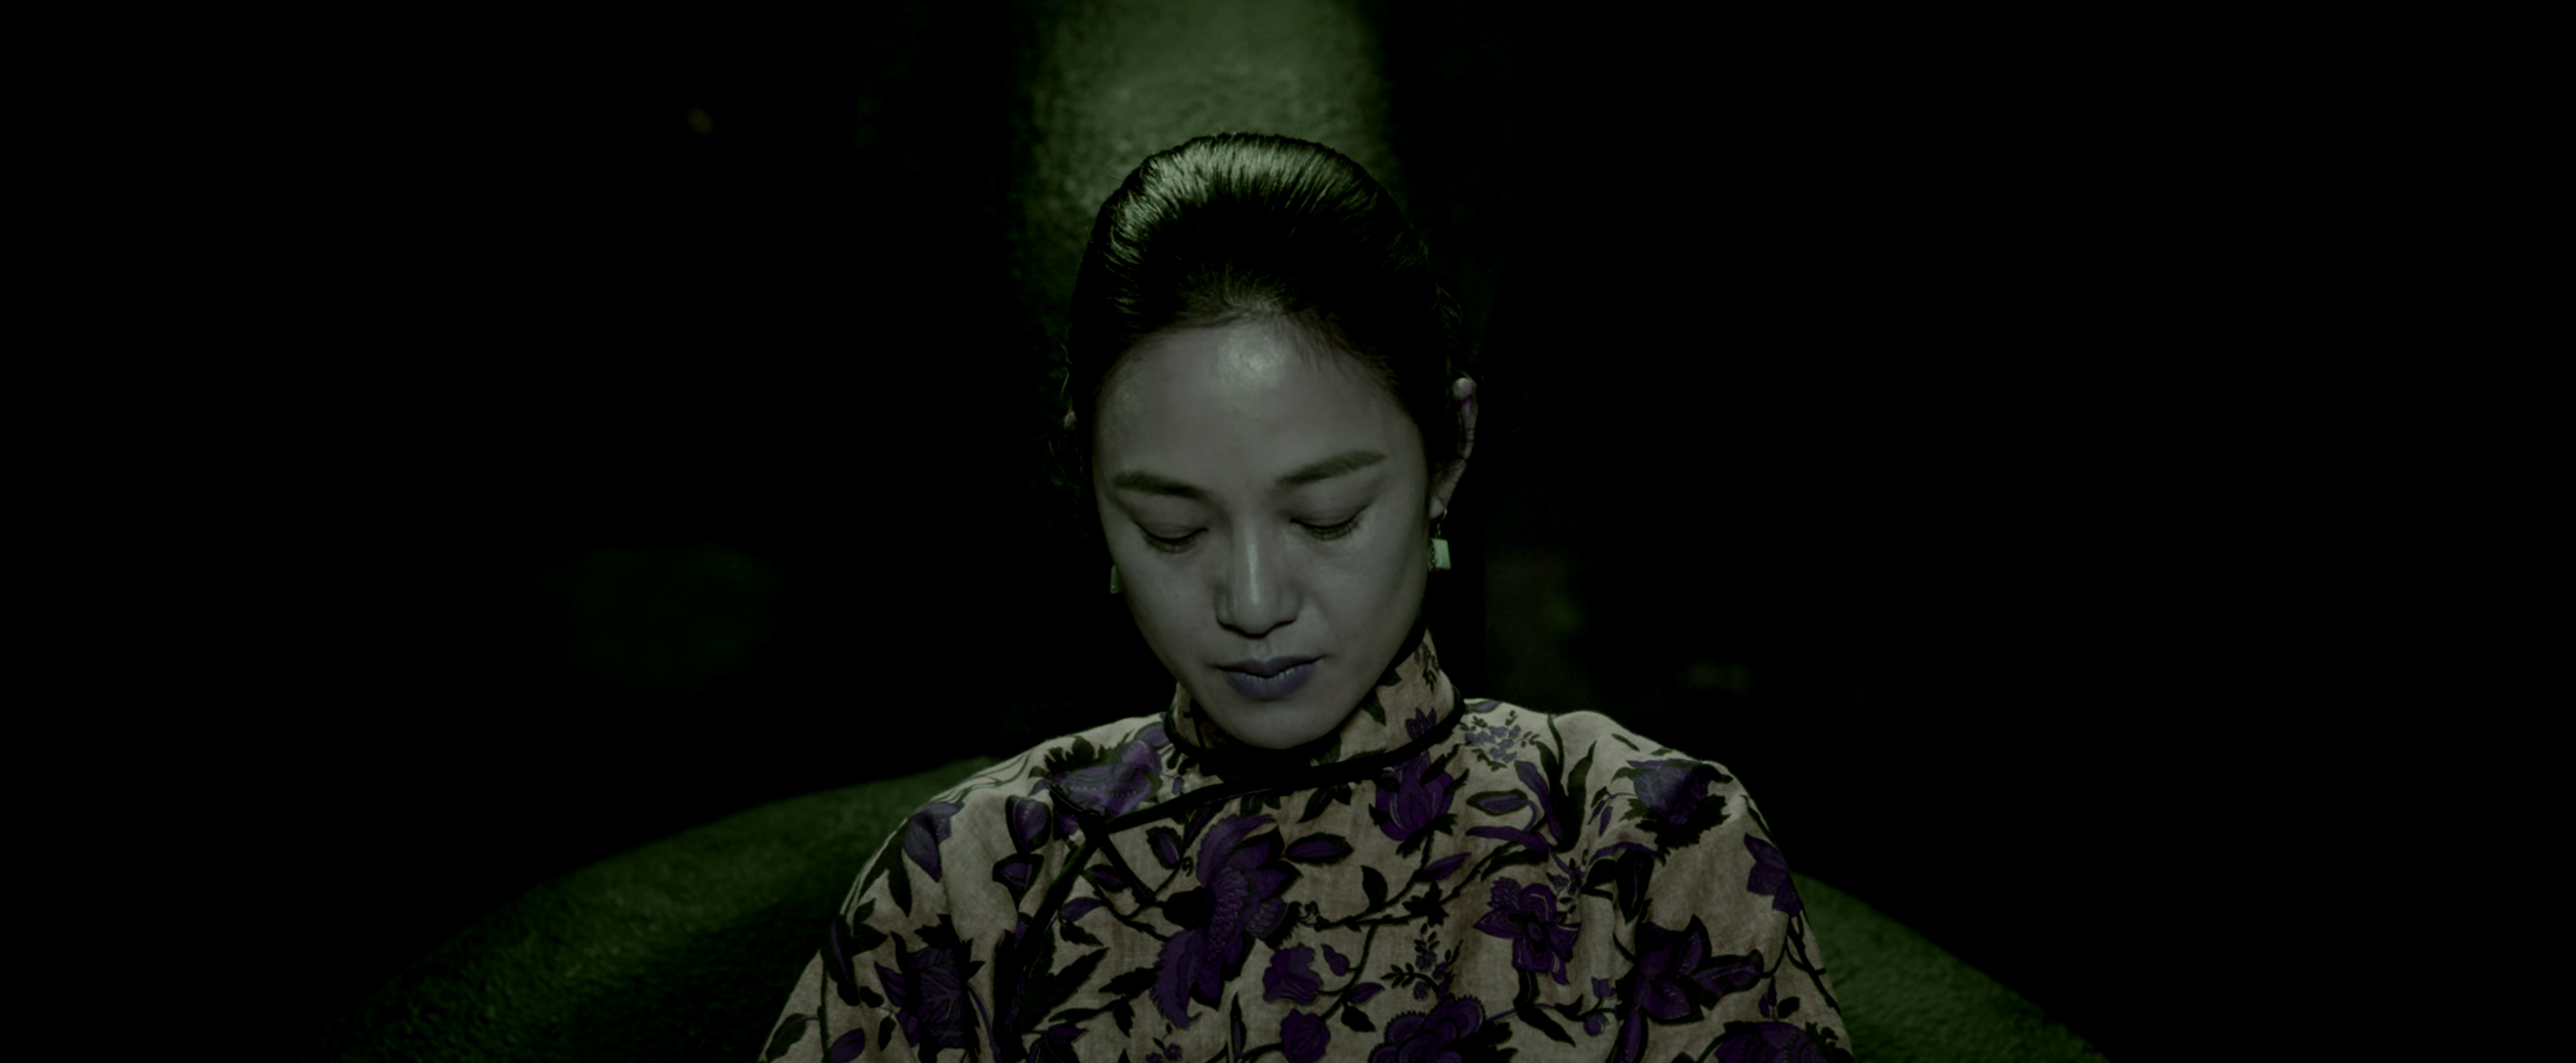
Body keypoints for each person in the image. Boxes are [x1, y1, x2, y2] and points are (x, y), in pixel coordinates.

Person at [758, 132, 1849, 1063]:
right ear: (1090, 484)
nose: (1251, 602)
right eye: (1172, 529)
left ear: (1450, 453)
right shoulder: (972, 881)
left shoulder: (1649, 845)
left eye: (1326, 518)